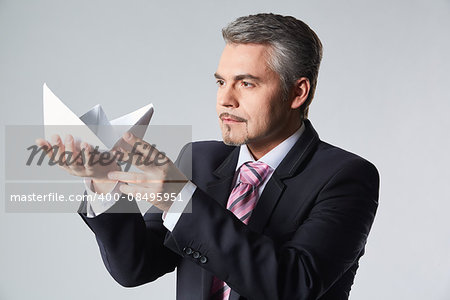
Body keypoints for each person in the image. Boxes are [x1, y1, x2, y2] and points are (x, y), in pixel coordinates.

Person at [36, 13, 379, 300]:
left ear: (297, 92)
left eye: (246, 83)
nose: (225, 100)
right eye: (220, 82)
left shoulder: (347, 176)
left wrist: (178, 197)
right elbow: (135, 268)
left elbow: (292, 285)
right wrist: (104, 183)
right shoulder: (200, 159)